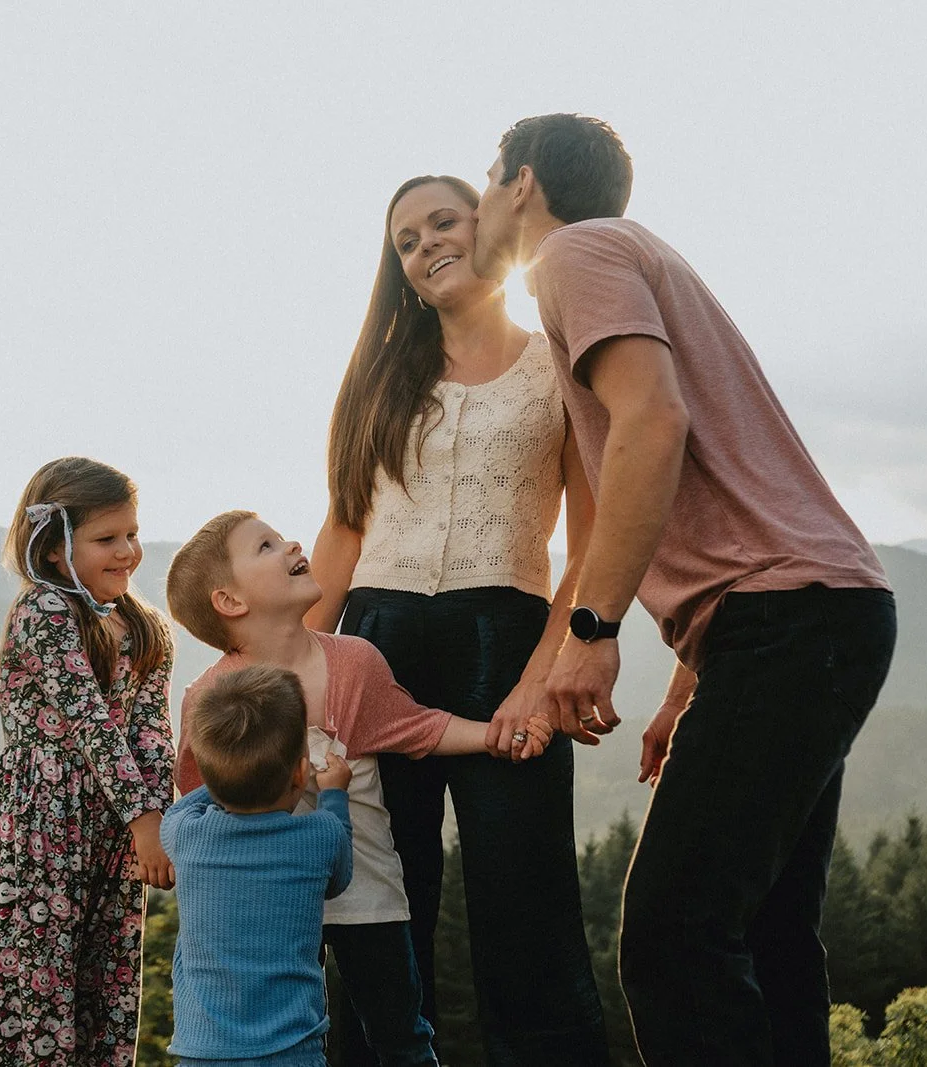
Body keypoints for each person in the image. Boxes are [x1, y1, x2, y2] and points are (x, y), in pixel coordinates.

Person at [470, 114, 899, 1066]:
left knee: (673, 934)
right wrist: (689, 679)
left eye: (489, 175)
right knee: (763, 932)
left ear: (525, 181)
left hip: (792, 621)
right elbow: (726, 498)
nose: (482, 196)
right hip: (811, 613)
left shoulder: (575, 255)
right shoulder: (635, 253)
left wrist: (594, 626)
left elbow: (653, 425)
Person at [306, 174, 608, 1065]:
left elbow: (591, 545)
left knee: (527, 898)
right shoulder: (378, 377)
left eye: (443, 221)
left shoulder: (562, 362)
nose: (427, 244)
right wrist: (287, 672)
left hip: (505, 642)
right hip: (372, 647)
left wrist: (542, 675)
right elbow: (342, 529)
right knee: (376, 905)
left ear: (486, 225)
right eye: (405, 240)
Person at [164, 510, 552, 1067]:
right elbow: (199, 793)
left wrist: (497, 734)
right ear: (230, 601)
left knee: (400, 1032)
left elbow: (418, 726)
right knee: (296, 1032)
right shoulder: (212, 698)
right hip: (274, 898)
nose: (292, 543)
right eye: (266, 546)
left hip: (365, 884)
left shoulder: (353, 662)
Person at [0, 456, 177, 1066]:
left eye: (132, 534)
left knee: (105, 980)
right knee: (40, 979)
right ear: (56, 547)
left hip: (116, 825)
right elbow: (89, 722)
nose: (127, 551)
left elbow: (151, 735)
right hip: (43, 819)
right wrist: (146, 821)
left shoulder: (144, 627)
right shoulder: (45, 612)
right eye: (106, 539)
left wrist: (161, 823)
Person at [163, 664, 354, 1066]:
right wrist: (334, 794)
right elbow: (340, 879)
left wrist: (218, 783)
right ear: (301, 773)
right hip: (293, 1050)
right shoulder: (320, 836)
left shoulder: (185, 835)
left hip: (202, 1053)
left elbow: (185, 805)